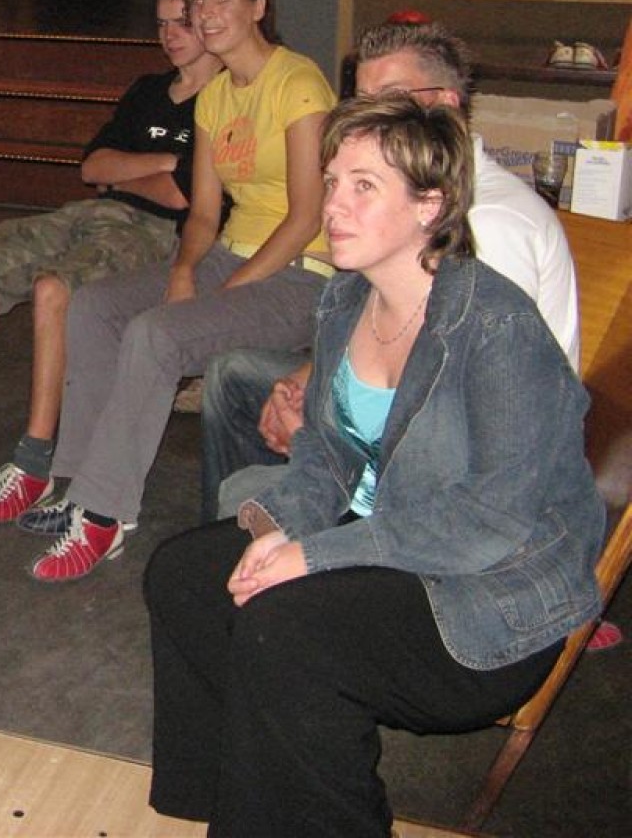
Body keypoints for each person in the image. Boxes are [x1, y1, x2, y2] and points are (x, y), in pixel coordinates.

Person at [146, 96, 602, 837]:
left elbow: (490, 519)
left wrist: (314, 555)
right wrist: (276, 528)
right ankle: (225, 794)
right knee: (183, 575)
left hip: (490, 594)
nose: (332, 206)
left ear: (431, 204)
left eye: (364, 186)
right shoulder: (345, 300)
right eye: (332, 182)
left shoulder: (494, 326)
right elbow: (326, 451)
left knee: (286, 631)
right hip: (394, 539)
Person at [25, 0, 336, 582]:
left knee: (156, 333)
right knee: (95, 306)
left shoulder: (299, 83)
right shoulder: (215, 97)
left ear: (258, 9)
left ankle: (106, 515)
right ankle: (79, 480)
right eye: (197, 1)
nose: (205, 13)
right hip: (228, 254)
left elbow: (307, 217)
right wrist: (185, 270)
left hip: (300, 273)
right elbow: (204, 213)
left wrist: (225, 291)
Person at [200, 17, 580, 521]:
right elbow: (377, 326)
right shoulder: (391, 204)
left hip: (449, 474)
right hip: (394, 403)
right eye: (361, 100)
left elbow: (454, 421)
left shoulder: (490, 223)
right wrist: (309, 377)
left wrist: (317, 432)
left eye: (391, 97)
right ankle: (253, 531)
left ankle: (288, 527)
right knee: (234, 375)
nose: (369, 116)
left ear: (444, 104)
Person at [0, 0, 223, 515]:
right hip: (93, 212)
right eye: (162, 24)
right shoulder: (148, 90)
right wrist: (162, 163)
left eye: (182, 23)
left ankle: (36, 457)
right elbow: (92, 167)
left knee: (54, 289)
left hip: (155, 231)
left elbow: (178, 196)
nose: (170, 35)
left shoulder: (223, 101)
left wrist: (130, 172)